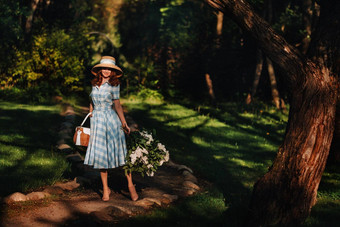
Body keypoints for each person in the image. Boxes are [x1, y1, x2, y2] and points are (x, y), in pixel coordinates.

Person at [84, 56, 138, 202]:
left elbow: (118, 105)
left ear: (113, 71)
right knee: (101, 156)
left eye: (109, 69)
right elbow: (91, 101)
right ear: (100, 69)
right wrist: (91, 114)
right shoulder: (94, 83)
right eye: (104, 68)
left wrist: (124, 123)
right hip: (97, 122)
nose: (107, 71)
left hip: (111, 120)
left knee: (121, 153)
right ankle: (105, 189)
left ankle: (130, 185)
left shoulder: (114, 85)